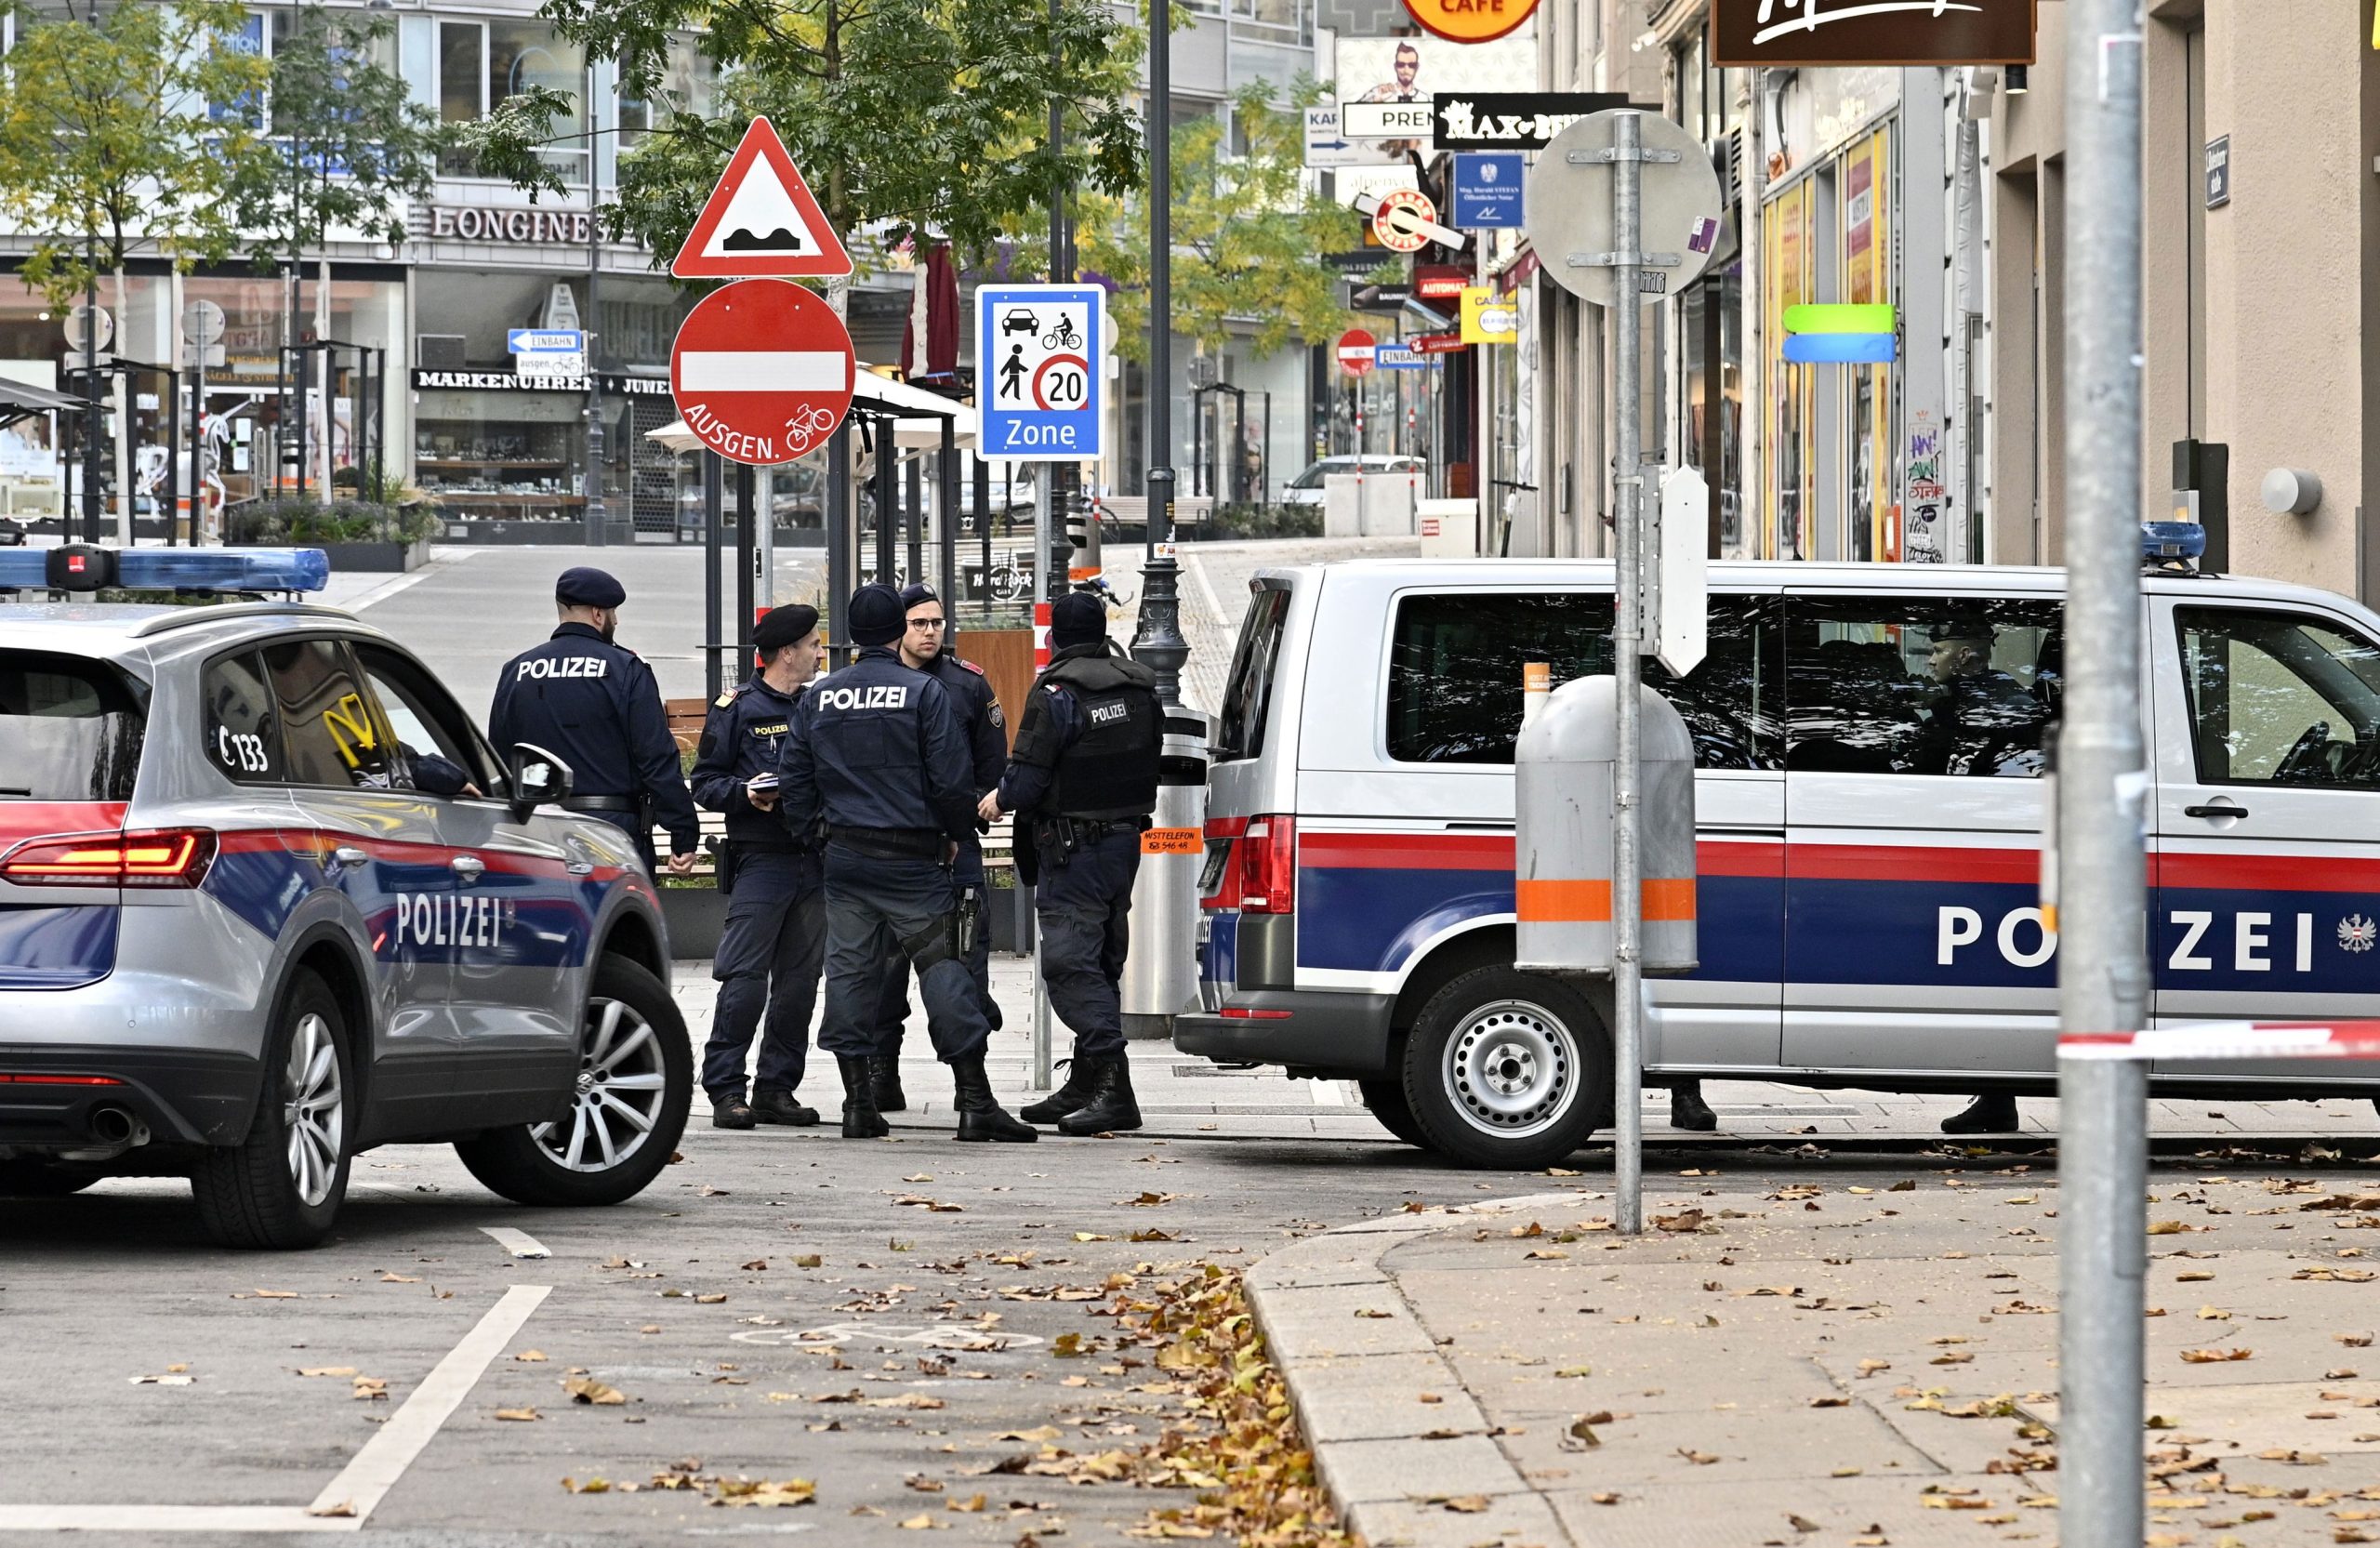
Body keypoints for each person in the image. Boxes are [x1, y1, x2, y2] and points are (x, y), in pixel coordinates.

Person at [778, 583, 1036, 1144]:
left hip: (845, 859)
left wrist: (816, 834)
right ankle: (974, 1101)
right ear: (897, 631)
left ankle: (857, 1104)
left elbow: (795, 780)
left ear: (848, 635)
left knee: (849, 973)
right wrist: (952, 835)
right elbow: (950, 778)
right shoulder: (923, 692)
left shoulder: (820, 697)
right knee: (944, 968)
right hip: (914, 859)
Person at [977, 591, 1161, 1135]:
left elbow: (1029, 775)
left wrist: (999, 799)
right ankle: (1085, 1083)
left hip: (1073, 848)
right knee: (1101, 962)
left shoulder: (1056, 692)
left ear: (1055, 636)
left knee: (1068, 965)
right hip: (1123, 845)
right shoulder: (1139, 686)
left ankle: (1113, 1088)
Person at [866, 583, 1008, 1114]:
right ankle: (883, 1072)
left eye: (936, 623)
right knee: (884, 966)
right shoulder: (883, 684)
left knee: (965, 961)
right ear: (897, 629)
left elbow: (992, 761)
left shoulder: (967, 685)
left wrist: (967, 813)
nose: (929, 632)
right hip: (896, 844)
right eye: (918, 623)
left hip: (956, 846)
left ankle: (970, 1080)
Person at [691, 603, 826, 1131]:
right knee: (744, 976)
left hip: (813, 858)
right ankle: (727, 1089)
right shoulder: (737, 708)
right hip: (762, 859)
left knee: (799, 982)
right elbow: (705, 783)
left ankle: (778, 1088)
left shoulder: (819, 704)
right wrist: (746, 795)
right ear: (787, 653)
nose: (820, 653)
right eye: (814, 644)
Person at [488, 566, 698, 877]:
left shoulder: (517, 670)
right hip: (611, 834)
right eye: (613, 613)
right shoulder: (626, 669)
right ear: (599, 615)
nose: (616, 621)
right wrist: (683, 834)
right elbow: (655, 758)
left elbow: (499, 757)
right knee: (620, 920)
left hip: (536, 833)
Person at [1918, 618, 2043, 1135]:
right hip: (1980, 839)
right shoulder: (1975, 696)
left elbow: (1963, 770)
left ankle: (1998, 1095)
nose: (1928, 660)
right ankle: (1995, 1096)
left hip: (1989, 844)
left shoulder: (1992, 702)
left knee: (1991, 969)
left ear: (1967, 657)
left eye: (1938, 650)